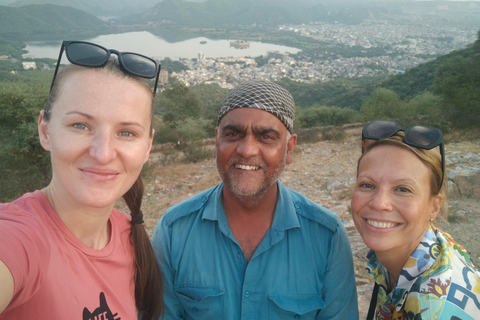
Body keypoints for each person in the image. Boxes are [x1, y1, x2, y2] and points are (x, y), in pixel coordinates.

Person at [152, 80, 359, 319]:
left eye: (266, 137)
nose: (247, 149)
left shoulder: (326, 236)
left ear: (289, 148)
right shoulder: (174, 230)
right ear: (217, 141)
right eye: (233, 134)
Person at [0, 41, 163, 319]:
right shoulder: (18, 237)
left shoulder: (129, 235)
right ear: (45, 130)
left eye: (126, 133)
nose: (102, 153)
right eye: (80, 126)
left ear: (148, 145)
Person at [351, 120, 480, 320]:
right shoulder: (426, 246)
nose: (379, 203)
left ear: (434, 206)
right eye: (367, 185)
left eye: (403, 189)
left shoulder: (433, 309)